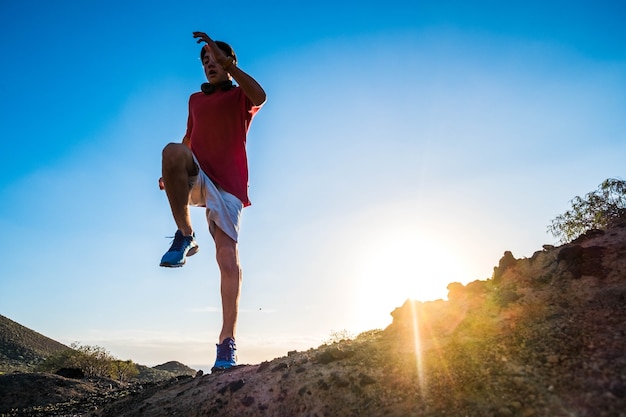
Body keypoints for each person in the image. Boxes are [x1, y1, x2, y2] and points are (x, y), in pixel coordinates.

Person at [159, 31, 266, 371]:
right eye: (205, 61)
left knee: (226, 258)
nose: (209, 65)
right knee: (171, 151)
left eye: (215, 59)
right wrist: (173, 168)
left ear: (228, 62)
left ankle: (226, 342)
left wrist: (230, 66)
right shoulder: (195, 100)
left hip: (229, 186)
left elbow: (261, 95)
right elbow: (188, 138)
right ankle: (185, 234)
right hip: (200, 174)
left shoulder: (240, 97)